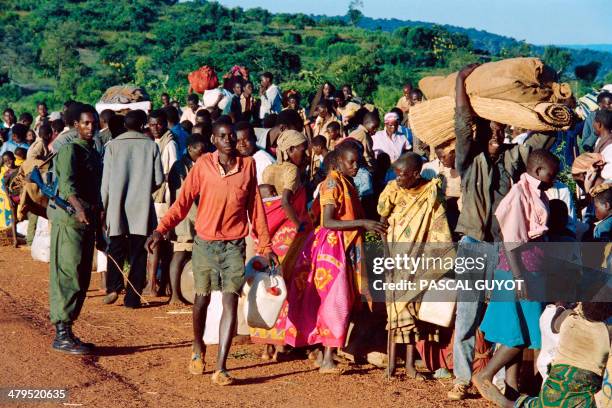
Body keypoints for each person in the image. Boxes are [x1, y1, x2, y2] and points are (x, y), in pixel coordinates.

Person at [448, 64, 556, 401]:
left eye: (501, 132)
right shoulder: (468, 161)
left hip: (504, 250)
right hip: (472, 244)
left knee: (503, 317)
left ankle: (496, 379)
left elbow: (541, 140)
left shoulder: (513, 159)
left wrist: (554, 103)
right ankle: (462, 378)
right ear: (480, 133)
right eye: (491, 131)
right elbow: (462, 123)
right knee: (467, 313)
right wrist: (461, 81)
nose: (497, 137)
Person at [146, 122, 278, 385]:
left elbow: (256, 208)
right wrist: (160, 230)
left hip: (234, 246)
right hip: (205, 244)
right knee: (201, 300)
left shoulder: (248, 166)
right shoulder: (203, 166)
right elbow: (182, 203)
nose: (229, 140)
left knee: (229, 301)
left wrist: (265, 245)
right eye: (222, 137)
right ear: (213, 140)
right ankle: (198, 347)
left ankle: (221, 366)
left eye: (232, 136)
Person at [283, 142, 387, 374]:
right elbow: (328, 221)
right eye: (351, 161)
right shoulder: (332, 183)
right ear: (339, 161)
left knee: (336, 300)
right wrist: (364, 223)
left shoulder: (345, 182)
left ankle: (323, 354)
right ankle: (327, 357)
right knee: (335, 300)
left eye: (358, 161)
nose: (355, 166)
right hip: (333, 249)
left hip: (341, 247)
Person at [474, 149, 560, 405]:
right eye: (550, 174)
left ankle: (512, 392)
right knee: (528, 331)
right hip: (517, 270)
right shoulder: (518, 194)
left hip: (531, 269)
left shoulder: (536, 194)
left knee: (518, 331)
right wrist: (519, 277)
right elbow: (510, 240)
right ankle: (485, 375)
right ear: (536, 171)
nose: (553, 179)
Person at [377, 152, 453, 379]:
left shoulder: (431, 192)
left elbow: (439, 224)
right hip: (396, 258)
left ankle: (410, 365)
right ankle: (390, 365)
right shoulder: (391, 190)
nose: (397, 178)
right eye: (396, 173)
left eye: (401, 174)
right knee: (394, 313)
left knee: (413, 313)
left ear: (415, 174)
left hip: (420, 259)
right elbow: (382, 225)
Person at [47, 104, 102, 354]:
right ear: (76, 125)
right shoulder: (70, 150)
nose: (91, 127)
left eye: (94, 123)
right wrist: (79, 209)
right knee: (67, 275)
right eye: (86, 123)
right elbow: (68, 186)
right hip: (70, 220)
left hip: (87, 221)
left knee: (81, 277)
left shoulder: (93, 151)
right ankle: (61, 333)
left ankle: (68, 330)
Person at [252, 130, 311, 354]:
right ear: (290, 150)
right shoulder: (291, 171)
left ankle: (269, 343)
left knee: (271, 284)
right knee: (291, 285)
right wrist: (299, 225)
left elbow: (267, 202)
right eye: (302, 149)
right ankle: (285, 340)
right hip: (289, 235)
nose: (305, 154)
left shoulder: (269, 170)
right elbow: (286, 201)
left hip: (271, 233)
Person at [101, 110, 163, 308]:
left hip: (117, 206)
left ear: (125, 125)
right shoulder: (151, 146)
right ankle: (133, 297)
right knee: (139, 251)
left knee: (115, 247)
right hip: (141, 207)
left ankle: (113, 287)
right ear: (144, 124)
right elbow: (159, 179)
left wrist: (104, 207)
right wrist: (145, 188)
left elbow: (106, 182)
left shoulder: (112, 146)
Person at [514, 303, 611, 408]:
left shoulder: (569, 317)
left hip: (555, 386)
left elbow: (554, 327)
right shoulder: (607, 330)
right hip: (583, 390)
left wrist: (561, 307)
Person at [167, 134, 208, 305]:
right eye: (199, 151)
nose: (202, 154)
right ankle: (175, 295)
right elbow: (182, 196)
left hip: (197, 216)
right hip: (185, 217)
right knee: (180, 253)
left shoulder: (199, 164)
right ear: (190, 149)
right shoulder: (180, 167)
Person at [147, 109, 178, 296]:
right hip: (157, 196)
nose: (155, 128)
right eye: (152, 124)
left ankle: (153, 284)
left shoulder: (170, 144)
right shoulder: (157, 142)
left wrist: (155, 179)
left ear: (165, 124)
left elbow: (173, 173)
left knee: (158, 240)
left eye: (158, 124)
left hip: (163, 197)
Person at [421, 140, 462, 234]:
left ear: (454, 153)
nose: (442, 161)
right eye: (440, 158)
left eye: (444, 157)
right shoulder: (443, 171)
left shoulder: (464, 169)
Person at [593, 110, 612, 180]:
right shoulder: (599, 140)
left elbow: (608, 176)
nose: (593, 125)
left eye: (594, 122)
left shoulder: (610, 147)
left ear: (599, 125)